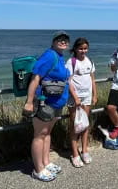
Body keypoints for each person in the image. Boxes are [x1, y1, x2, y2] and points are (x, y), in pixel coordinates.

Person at [23, 31, 71, 182]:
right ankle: (38, 169)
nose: (63, 41)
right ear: (53, 41)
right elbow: (35, 78)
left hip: (56, 102)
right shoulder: (49, 55)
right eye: (59, 39)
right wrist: (30, 102)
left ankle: (46, 162)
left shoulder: (60, 56)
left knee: (47, 133)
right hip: (44, 102)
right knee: (39, 135)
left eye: (65, 40)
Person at [66, 38, 97, 168]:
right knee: (75, 126)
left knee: (85, 124)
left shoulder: (89, 60)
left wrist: (95, 94)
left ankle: (85, 150)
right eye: (80, 48)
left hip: (87, 97)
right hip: (75, 98)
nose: (83, 51)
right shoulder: (71, 62)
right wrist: (75, 97)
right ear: (75, 49)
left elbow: (92, 79)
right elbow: (68, 81)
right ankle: (75, 153)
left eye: (85, 48)